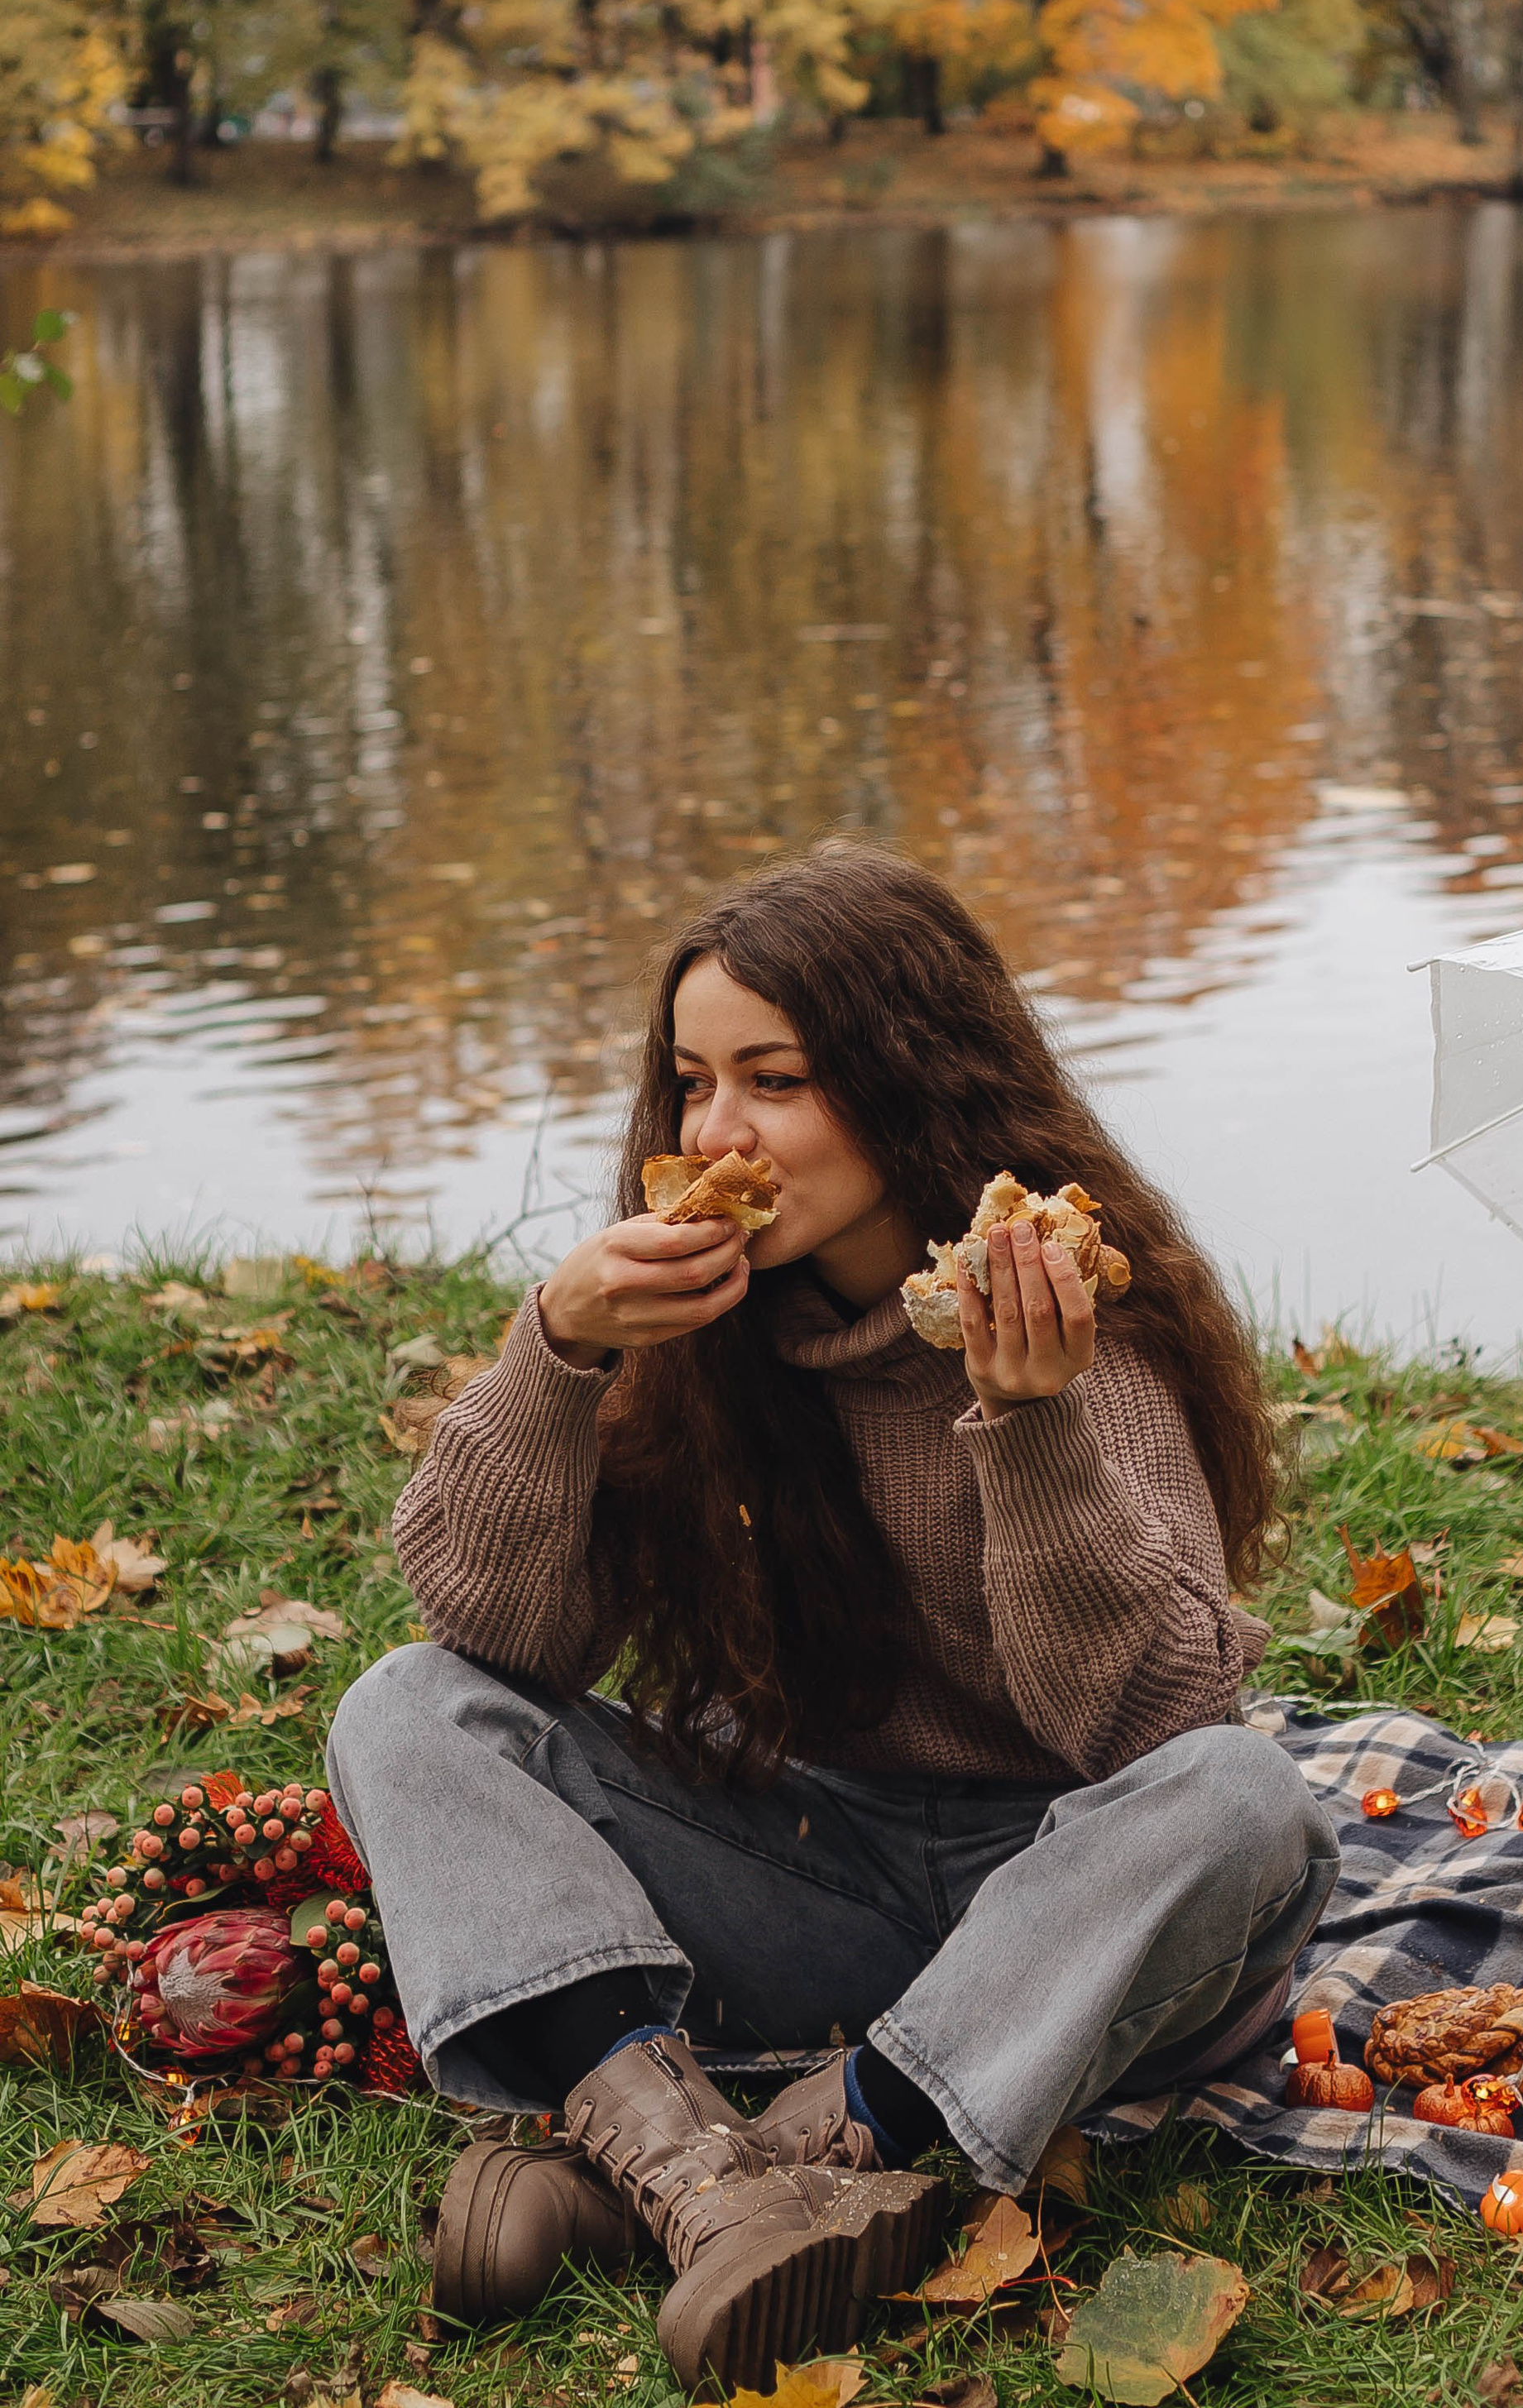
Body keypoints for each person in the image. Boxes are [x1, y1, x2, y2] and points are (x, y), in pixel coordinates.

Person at [326, 840, 1338, 2393]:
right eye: (690, 1082)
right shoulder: (690, 1330)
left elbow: (1146, 1731)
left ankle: (818, 2140)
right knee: (406, 1704)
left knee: (1250, 1797)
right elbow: (498, 1635)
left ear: (906, 1080)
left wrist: (1033, 1422)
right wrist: (558, 1355)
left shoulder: (1077, 1326)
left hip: (1067, 1928)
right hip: (811, 1877)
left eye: (775, 1080)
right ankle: (702, 2172)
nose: (715, 1132)